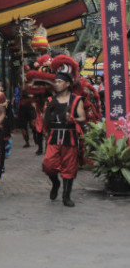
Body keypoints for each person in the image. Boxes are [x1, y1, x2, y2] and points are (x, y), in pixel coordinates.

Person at [42, 72, 85, 207]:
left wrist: (73, 119)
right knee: (48, 165)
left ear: (68, 84)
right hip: (54, 136)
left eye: (60, 81)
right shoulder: (50, 100)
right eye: (56, 81)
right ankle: (55, 183)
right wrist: (47, 114)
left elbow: (83, 118)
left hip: (69, 136)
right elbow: (45, 120)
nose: (57, 84)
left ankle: (66, 196)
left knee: (69, 167)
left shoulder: (76, 99)